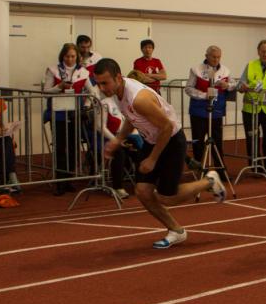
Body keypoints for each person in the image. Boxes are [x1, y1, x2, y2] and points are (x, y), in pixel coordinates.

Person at [96, 58, 226, 249]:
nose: (101, 88)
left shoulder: (139, 98)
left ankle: (210, 181)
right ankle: (176, 231)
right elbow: (131, 118)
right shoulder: (117, 92)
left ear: (117, 77)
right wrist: (117, 140)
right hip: (152, 140)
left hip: (171, 141)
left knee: (167, 197)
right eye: (98, 83)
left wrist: (152, 158)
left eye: (104, 83)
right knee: (142, 191)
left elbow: (167, 126)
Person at [44, 43, 89, 195]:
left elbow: (92, 91)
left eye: (73, 56)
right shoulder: (53, 70)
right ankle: (60, 182)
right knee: (60, 148)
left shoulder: (83, 72)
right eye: (67, 56)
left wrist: (87, 104)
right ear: (62, 56)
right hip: (58, 113)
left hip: (75, 114)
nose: (70, 59)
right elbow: (46, 91)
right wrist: (59, 86)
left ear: (77, 57)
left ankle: (69, 179)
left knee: (73, 148)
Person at [185, 46, 234, 180]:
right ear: (206, 56)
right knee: (198, 142)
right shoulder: (196, 69)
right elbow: (188, 89)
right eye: (213, 57)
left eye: (218, 57)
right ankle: (200, 171)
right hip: (199, 111)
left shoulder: (225, 70)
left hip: (217, 111)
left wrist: (227, 86)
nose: (216, 59)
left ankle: (221, 170)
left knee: (217, 142)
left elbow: (233, 85)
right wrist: (203, 95)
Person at [238, 40, 266, 178]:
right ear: (258, 51)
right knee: (252, 139)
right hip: (250, 110)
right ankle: (255, 166)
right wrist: (242, 87)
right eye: (263, 51)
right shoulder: (250, 65)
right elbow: (240, 84)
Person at [0, 73, 20, 193]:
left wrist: (6, 130)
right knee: (5, 143)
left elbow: (0, 123)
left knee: (7, 141)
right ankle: (8, 178)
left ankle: (3, 181)